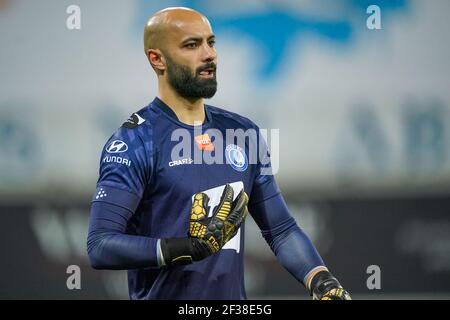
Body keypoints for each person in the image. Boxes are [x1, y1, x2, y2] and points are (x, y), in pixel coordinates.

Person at [87, 7, 351, 300]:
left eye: (210, 42)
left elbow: (282, 230)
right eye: (191, 45)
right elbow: (100, 246)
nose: (209, 54)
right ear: (157, 59)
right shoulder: (135, 142)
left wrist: (321, 281)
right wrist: (185, 248)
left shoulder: (243, 133)